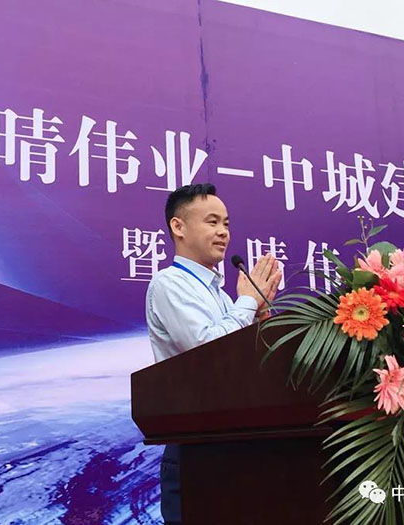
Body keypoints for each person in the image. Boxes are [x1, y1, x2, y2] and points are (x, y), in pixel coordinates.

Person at [145, 183, 281, 524]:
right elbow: (207, 350)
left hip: (235, 441)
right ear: (178, 227)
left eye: (226, 223)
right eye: (212, 222)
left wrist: (260, 318)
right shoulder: (169, 283)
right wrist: (247, 302)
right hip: (196, 447)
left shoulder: (221, 295)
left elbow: (239, 365)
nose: (223, 232)